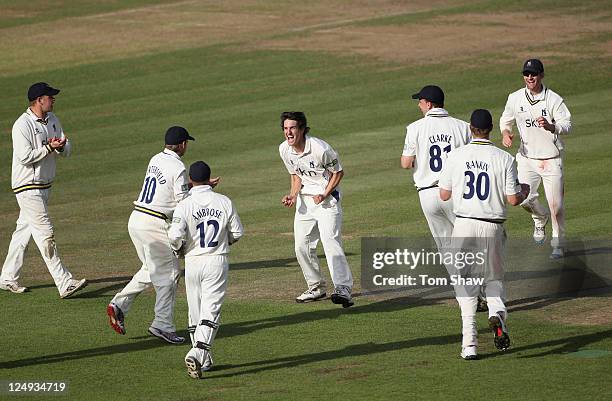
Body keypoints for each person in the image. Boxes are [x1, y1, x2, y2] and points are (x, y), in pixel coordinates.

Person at [439, 109, 530, 360]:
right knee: (494, 279)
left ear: (471, 128)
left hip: (464, 225)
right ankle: (497, 312)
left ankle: (469, 346)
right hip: (492, 226)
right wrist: (525, 191)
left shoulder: (456, 156)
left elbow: (444, 195)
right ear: (491, 129)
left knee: (466, 285)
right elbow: (513, 200)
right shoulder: (504, 158)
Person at [107, 126, 198, 345]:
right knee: (170, 273)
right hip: (154, 224)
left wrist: (195, 186)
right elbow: (182, 202)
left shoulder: (155, 158)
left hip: (137, 219)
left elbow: (165, 191)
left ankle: (119, 304)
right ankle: (162, 325)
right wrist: (200, 189)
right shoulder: (178, 167)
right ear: (183, 144)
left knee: (151, 268)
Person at [0, 82, 87, 298]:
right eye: (50, 96)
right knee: (45, 234)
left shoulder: (53, 120)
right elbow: (24, 157)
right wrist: (49, 147)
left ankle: (7, 277)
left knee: (23, 232)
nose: (54, 99)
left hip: (45, 186)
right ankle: (64, 282)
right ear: (39, 100)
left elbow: (66, 150)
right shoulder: (22, 125)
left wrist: (62, 145)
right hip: (27, 186)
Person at [168, 161, 243, 379]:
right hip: (216, 261)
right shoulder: (224, 201)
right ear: (210, 179)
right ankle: (198, 353)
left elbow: (174, 236)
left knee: (195, 311)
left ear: (190, 180)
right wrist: (224, 241)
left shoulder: (184, 204)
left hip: (192, 262)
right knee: (211, 311)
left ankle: (205, 359)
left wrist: (179, 248)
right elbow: (237, 233)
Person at [279, 111, 354, 307]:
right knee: (301, 246)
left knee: (330, 242)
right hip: (305, 202)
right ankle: (316, 287)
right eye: (286, 129)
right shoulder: (284, 150)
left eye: (293, 128)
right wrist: (293, 196)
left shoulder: (320, 148)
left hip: (327, 201)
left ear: (302, 129)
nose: (288, 132)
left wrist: (324, 193)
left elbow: (338, 172)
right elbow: (296, 176)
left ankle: (343, 289)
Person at [500, 58, 572, 259]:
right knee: (522, 199)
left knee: (556, 206)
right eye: (526, 74)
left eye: (533, 74)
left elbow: (567, 124)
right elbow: (505, 120)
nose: (529, 77)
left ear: (541, 75)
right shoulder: (515, 98)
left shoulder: (553, 99)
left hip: (551, 158)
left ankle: (558, 244)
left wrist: (552, 127)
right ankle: (539, 218)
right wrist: (506, 134)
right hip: (526, 158)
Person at [400, 85, 471, 250]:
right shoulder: (463, 127)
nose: (419, 105)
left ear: (429, 104)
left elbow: (405, 163)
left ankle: (458, 277)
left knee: (445, 245)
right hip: (456, 192)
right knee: (469, 240)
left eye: (420, 101)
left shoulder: (414, 128)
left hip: (428, 195)